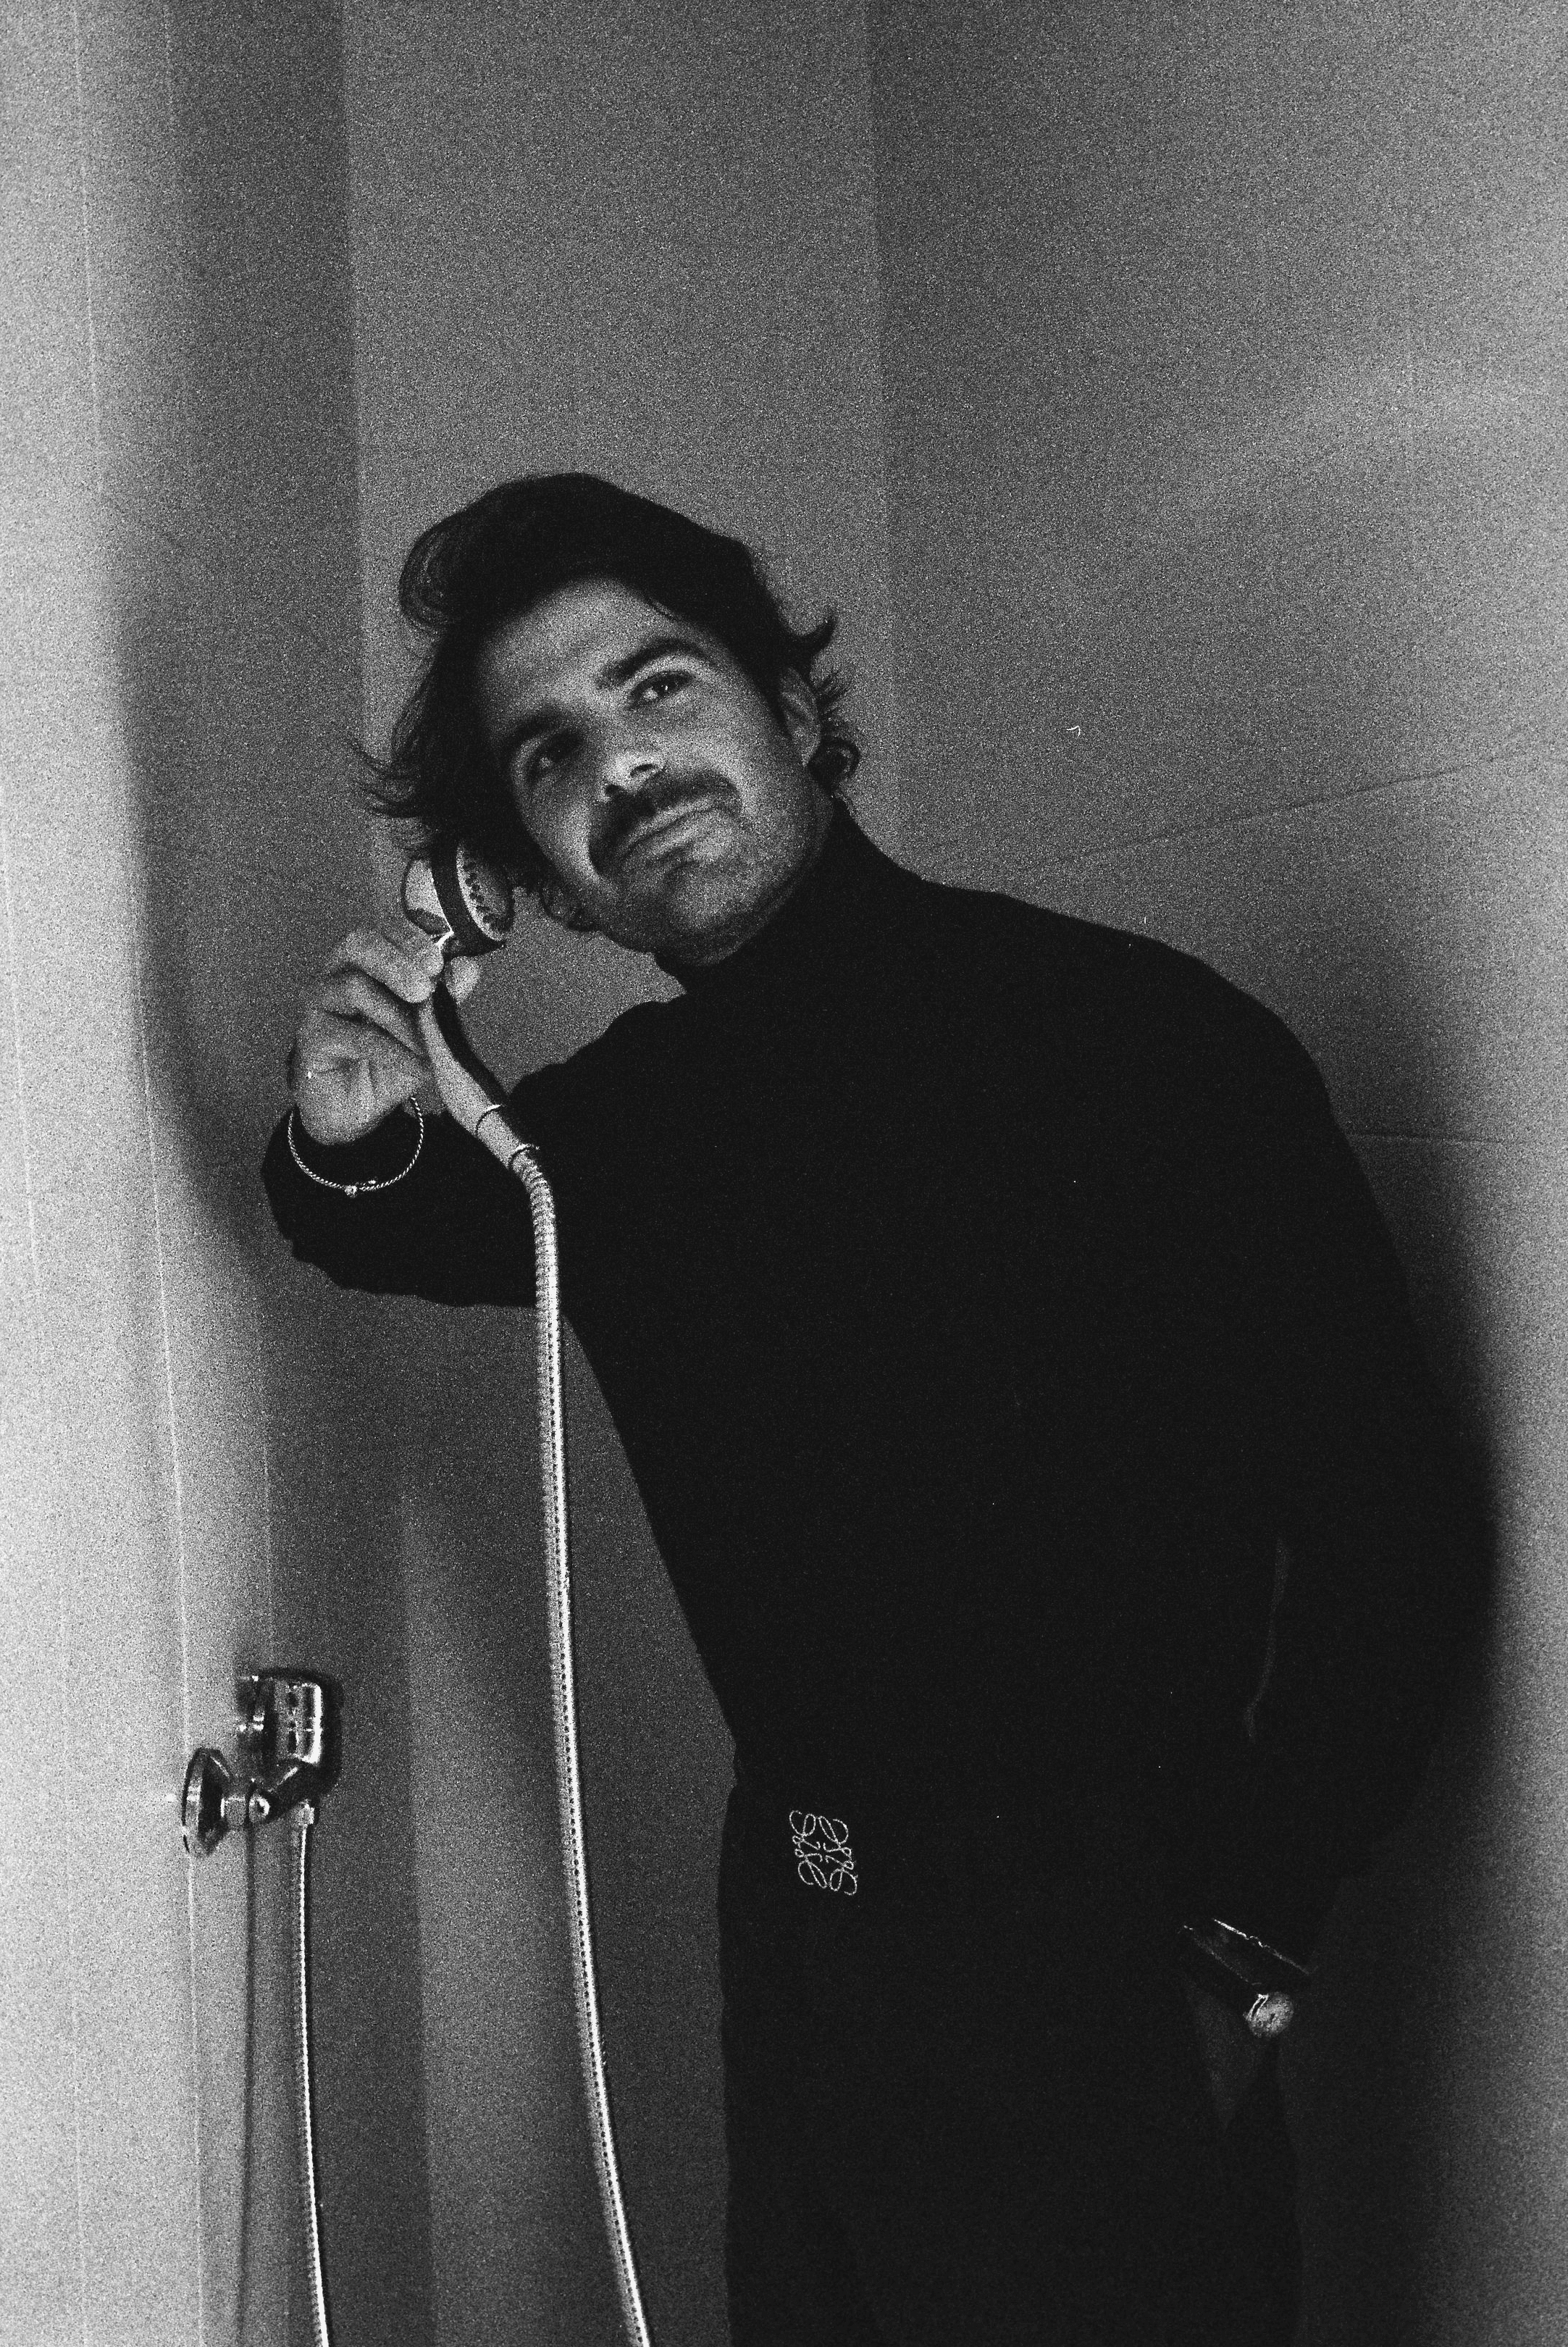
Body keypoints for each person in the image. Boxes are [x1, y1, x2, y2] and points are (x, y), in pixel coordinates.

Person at [264, 472, 1475, 2344]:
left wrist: (1243, 1943)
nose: (620, 763)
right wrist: (352, 1112)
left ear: (793, 707)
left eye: (659, 685)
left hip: (1110, 1968)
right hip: (814, 1958)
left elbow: (1395, 1524)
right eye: (550, 751)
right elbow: (391, 1217)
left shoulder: (1138, 1046)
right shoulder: (637, 1133)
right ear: (532, 868)